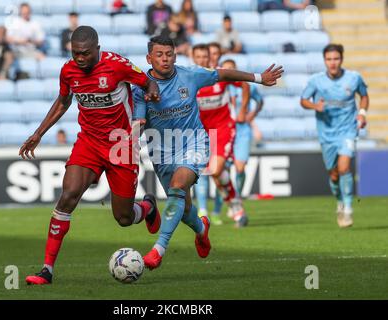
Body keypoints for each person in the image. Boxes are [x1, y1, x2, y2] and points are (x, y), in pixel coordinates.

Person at [21, 26, 162, 285]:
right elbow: (63, 101)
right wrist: (38, 133)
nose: (80, 58)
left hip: (122, 145)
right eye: (75, 53)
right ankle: (46, 270)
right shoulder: (68, 70)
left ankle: (148, 208)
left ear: (97, 49)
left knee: (123, 218)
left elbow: (147, 80)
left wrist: (152, 90)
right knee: (67, 196)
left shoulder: (117, 65)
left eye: (85, 53)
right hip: (89, 142)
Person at [133, 36, 283, 270]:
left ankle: (158, 249)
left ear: (175, 55)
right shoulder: (141, 88)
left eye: (169, 54)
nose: (165, 59)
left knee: (178, 188)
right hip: (162, 151)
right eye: (159, 55)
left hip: (194, 143)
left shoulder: (189, 75)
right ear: (149, 58)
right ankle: (202, 229)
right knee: (184, 209)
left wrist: (258, 78)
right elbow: (139, 122)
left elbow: (222, 73)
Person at [300, 44, 369, 228]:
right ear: (324, 61)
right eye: (329, 59)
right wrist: (315, 106)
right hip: (326, 134)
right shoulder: (316, 81)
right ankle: (339, 200)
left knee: (344, 167)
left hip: (348, 130)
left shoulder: (354, 78)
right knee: (334, 174)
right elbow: (303, 100)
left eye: (336, 59)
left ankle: (347, 209)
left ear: (342, 59)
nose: (333, 63)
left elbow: (364, 95)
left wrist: (362, 112)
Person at [192, 44, 250, 227]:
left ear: (210, 57)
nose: (202, 59)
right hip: (203, 133)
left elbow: (245, 84)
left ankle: (234, 205)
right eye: (198, 56)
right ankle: (236, 207)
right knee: (217, 174)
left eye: (204, 56)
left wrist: (242, 109)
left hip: (224, 128)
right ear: (193, 58)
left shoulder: (219, 75)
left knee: (216, 170)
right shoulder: (189, 79)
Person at [212, 59, 265, 226]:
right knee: (220, 171)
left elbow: (260, 101)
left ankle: (238, 197)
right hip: (223, 130)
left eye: (231, 70)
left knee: (240, 167)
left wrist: (250, 114)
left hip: (242, 131)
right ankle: (228, 204)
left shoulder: (243, 86)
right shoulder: (220, 87)